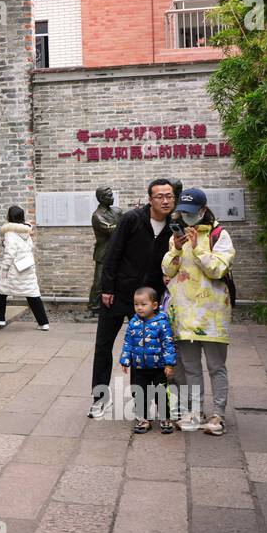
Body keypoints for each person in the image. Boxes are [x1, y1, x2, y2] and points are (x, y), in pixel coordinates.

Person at [90, 178, 176, 418]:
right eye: (160, 196)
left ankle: (155, 405)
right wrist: (107, 288)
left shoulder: (174, 226)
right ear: (150, 199)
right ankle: (99, 399)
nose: (165, 200)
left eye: (169, 196)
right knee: (103, 346)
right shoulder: (132, 219)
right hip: (118, 295)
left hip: (150, 299)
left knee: (150, 349)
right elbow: (113, 252)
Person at [161, 187, 235, 435]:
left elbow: (217, 270)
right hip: (184, 312)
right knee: (190, 367)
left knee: (216, 366)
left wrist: (198, 248)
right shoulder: (176, 237)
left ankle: (218, 415)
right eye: (183, 212)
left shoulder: (219, 235)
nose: (187, 217)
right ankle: (194, 411)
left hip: (212, 314)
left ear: (203, 210)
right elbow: (167, 272)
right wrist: (178, 249)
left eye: (192, 212)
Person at [118, 286, 177, 434]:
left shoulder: (162, 323)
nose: (139, 308)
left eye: (143, 304)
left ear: (154, 305)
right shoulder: (133, 323)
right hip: (139, 367)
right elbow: (128, 342)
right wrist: (125, 359)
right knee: (140, 393)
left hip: (158, 367)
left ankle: (165, 418)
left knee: (160, 393)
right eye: (136, 304)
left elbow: (168, 344)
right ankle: (144, 419)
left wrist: (169, 363)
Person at [0, 206, 50, 330]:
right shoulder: (26, 231)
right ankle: (43, 323)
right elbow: (30, 247)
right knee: (32, 293)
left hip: (14, 268)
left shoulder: (10, 233)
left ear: (10, 217)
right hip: (27, 267)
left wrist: (4, 269)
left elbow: (10, 252)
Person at [88, 187, 124, 315]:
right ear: (102, 198)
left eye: (112, 195)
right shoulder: (97, 216)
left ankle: (118, 306)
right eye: (109, 196)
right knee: (98, 282)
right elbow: (111, 230)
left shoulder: (116, 211)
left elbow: (125, 219)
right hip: (103, 253)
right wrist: (125, 223)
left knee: (119, 279)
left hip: (117, 251)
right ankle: (93, 308)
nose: (112, 197)